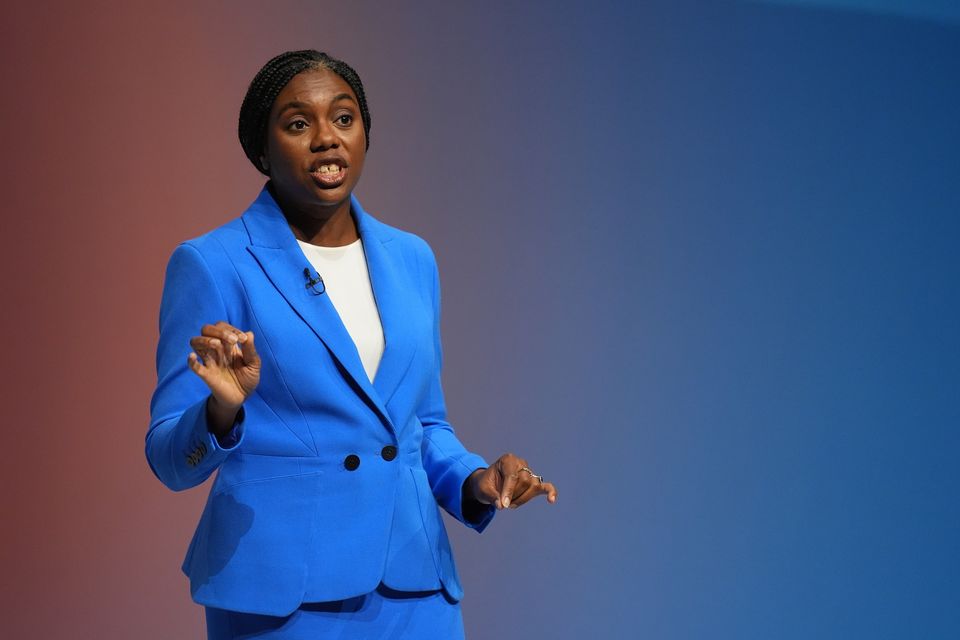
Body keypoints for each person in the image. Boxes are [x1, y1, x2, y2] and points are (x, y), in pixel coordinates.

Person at [146, 49, 558, 639]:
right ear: (261, 149)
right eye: (297, 124)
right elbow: (168, 458)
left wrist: (476, 481)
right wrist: (222, 410)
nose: (325, 140)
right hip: (282, 596)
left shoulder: (412, 258)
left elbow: (421, 425)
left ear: (365, 133)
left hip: (416, 586)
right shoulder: (213, 263)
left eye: (343, 119)